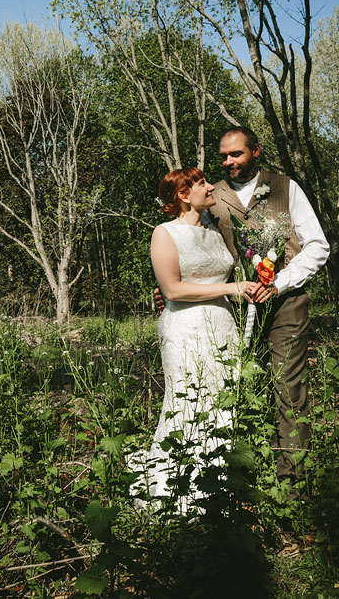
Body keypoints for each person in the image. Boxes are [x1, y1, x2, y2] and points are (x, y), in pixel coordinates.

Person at [156, 127, 330, 500]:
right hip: (231, 311)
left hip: (285, 302)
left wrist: (279, 283)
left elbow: (317, 246)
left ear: (256, 152)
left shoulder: (286, 188)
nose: (229, 162)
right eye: (223, 156)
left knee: (288, 387)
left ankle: (293, 485)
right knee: (241, 389)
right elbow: (189, 248)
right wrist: (167, 291)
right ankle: (246, 475)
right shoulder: (209, 195)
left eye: (236, 154)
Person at [129, 166, 258, 512]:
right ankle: (176, 493)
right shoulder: (164, 233)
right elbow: (171, 288)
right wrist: (232, 288)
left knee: (221, 405)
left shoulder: (215, 230)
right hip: (185, 328)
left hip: (222, 325)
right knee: (188, 402)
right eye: (201, 183)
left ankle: (218, 488)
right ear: (183, 195)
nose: (210, 186)